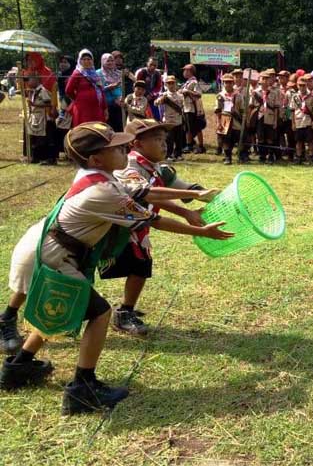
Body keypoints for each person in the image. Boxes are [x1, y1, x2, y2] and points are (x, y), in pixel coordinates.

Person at [0, 122, 231, 413]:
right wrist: (203, 232)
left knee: (65, 309)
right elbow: (151, 219)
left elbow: (142, 193)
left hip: (50, 249)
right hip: (51, 257)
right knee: (99, 313)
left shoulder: (99, 175)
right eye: (116, 147)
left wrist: (194, 198)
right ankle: (83, 388)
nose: (125, 147)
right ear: (96, 157)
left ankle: (19, 367)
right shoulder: (103, 191)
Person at [106, 118, 211, 335]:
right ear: (136, 144)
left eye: (164, 139)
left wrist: (204, 197)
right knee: (93, 267)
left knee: (141, 266)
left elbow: (177, 188)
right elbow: (148, 194)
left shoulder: (157, 168)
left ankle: (125, 310)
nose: (164, 144)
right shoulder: (130, 166)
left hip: (137, 225)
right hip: (113, 227)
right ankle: (100, 312)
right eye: (156, 139)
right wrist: (190, 200)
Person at [65, 49, 107, 127]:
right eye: (84, 59)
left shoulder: (95, 74)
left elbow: (101, 90)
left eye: (89, 59)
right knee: (84, 130)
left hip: (96, 108)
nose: (87, 61)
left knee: (98, 129)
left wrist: (105, 108)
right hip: (83, 108)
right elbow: (68, 90)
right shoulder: (77, 73)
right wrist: (77, 98)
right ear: (80, 61)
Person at [23, 73, 57, 165]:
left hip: (44, 117)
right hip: (37, 117)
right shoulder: (34, 91)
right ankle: (37, 157)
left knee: (46, 139)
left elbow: (49, 103)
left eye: (29, 80)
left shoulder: (42, 91)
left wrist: (34, 105)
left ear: (36, 80)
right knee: (37, 138)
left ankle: (50, 159)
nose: (28, 82)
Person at [215, 73, 245, 165]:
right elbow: (218, 111)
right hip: (224, 120)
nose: (228, 84)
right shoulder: (220, 96)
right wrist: (218, 122)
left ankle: (240, 155)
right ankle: (228, 157)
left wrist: (244, 120)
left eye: (230, 82)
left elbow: (242, 109)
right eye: (226, 82)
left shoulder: (238, 95)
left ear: (233, 83)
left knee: (236, 137)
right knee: (225, 139)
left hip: (236, 120)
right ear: (223, 83)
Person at [154, 75, 184, 160]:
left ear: (175, 84)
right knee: (169, 139)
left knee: (178, 139)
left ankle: (178, 154)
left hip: (178, 120)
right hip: (168, 120)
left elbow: (182, 106)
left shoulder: (180, 95)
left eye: (172, 83)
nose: (171, 85)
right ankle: (168, 155)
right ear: (166, 85)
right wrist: (161, 100)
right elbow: (155, 103)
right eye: (169, 83)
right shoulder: (164, 95)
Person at [179, 64, 206, 154]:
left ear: (190, 71)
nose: (184, 72)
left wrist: (187, 91)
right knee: (188, 128)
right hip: (187, 108)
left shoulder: (194, 82)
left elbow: (198, 94)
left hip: (193, 108)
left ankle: (201, 146)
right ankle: (189, 145)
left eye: (186, 70)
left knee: (197, 128)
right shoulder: (188, 82)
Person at [291, 74, 313, 164]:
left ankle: (311, 157)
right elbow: (292, 110)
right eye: (300, 85)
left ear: (306, 85)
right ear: (297, 86)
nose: (302, 87)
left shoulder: (311, 96)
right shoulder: (294, 96)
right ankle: (298, 157)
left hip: (308, 121)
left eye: (303, 85)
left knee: (310, 141)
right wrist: (293, 123)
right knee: (298, 141)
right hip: (298, 121)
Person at [98, 53, 124, 131]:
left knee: (119, 128)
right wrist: (109, 88)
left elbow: (122, 89)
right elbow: (97, 90)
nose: (110, 63)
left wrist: (120, 98)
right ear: (103, 62)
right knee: (108, 128)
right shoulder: (98, 73)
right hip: (105, 106)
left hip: (118, 105)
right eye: (108, 61)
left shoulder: (118, 73)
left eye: (112, 60)